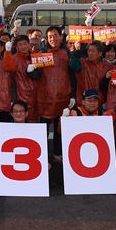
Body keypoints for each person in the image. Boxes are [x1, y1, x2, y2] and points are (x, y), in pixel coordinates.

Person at [36, 26, 75, 163]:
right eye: (50, 36)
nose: (52, 38)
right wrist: (31, 69)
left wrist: (73, 95)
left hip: (62, 95)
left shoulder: (68, 53)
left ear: (61, 37)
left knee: (60, 128)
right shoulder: (41, 53)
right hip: (45, 97)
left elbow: (73, 75)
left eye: (55, 35)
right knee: (43, 129)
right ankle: (41, 155)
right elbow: (36, 75)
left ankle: (58, 152)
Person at [10, 35, 42, 122]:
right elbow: (11, 80)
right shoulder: (14, 59)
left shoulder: (36, 57)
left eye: (25, 44)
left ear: (29, 44)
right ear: (16, 47)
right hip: (21, 96)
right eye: (20, 44)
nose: (23, 46)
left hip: (37, 96)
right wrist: (13, 99)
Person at [70, 41, 111, 105]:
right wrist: (77, 51)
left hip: (100, 102)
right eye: (89, 51)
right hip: (83, 102)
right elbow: (73, 65)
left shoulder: (107, 65)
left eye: (93, 51)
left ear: (100, 53)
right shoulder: (82, 62)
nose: (90, 53)